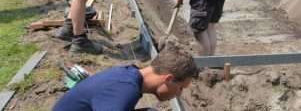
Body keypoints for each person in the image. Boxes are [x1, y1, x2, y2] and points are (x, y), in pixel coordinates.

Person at [52, 45, 198, 111]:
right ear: (168, 78)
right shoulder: (124, 90)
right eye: (180, 88)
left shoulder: (128, 75)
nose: (179, 94)